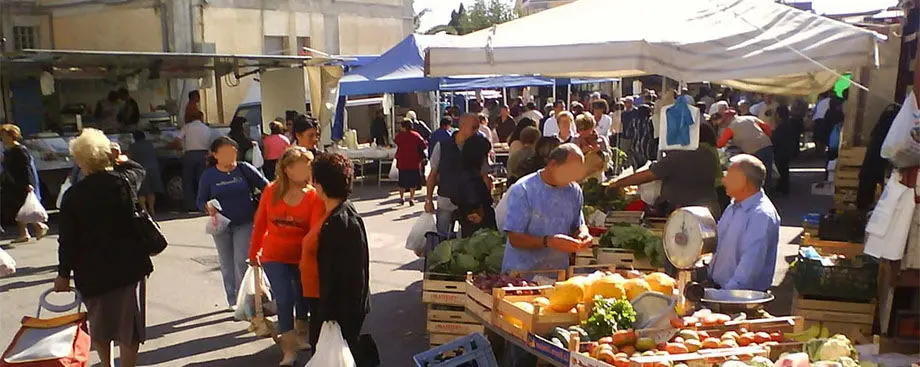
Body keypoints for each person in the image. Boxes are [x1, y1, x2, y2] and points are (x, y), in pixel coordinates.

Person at [54, 128, 150, 367]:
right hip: (126, 266)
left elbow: (67, 240)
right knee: (128, 326)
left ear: (80, 160)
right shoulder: (123, 183)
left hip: (90, 271)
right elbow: (139, 170)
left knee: (99, 325)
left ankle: (106, 365)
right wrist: (120, 158)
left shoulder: (73, 196)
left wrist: (63, 274)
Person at [502, 144, 592, 366]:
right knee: (521, 349)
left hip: (556, 283)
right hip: (521, 281)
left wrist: (584, 233)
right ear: (552, 164)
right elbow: (515, 237)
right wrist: (548, 241)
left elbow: (577, 224)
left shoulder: (574, 191)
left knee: (554, 346)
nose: (574, 177)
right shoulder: (523, 190)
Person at [249, 147, 324, 365]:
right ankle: (288, 351)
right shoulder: (271, 191)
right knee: (284, 300)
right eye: (304, 166)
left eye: (310, 166)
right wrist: (253, 253)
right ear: (288, 169)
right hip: (274, 255)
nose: (309, 170)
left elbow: (314, 231)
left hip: (302, 257)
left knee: (302, 300)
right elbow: (260, 223)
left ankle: (300, 333)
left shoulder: (312, 196)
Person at [307, 153, 371, 364]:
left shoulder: (340, 222)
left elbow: (344, 273)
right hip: (332, 305)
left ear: (320, 185)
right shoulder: (337, 214)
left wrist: (328, 314)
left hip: (337, 310)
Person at [197, 136, 269, 309]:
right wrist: (207, 206)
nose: (231, 155)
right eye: (225, 152)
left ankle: (245, 300)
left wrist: (262, 208)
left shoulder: (244, 169)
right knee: (226, 262)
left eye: (233, 151)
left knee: (241, 259)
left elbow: (267, 186)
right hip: (221, 224)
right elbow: (199, 200)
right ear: (215, 155)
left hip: (244, 221)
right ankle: (232, 300)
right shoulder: (209, 175)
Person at [606, 129, 722, 218]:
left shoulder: (678, 156)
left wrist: (618, 184)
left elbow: (648, 175)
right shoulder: (708, 154)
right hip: (709, 209)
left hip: (686, 213)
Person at [708, 154, 780, 291]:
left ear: (743, 180)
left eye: (729, 176)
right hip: (719, 290)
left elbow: (748, 271)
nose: (724, 181)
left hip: (738, 298)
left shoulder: (761, 215)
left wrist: (723, 297)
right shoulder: (733, 206)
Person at [425, 114, 491, 236]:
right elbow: (432, 175)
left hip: (470, 202)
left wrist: (484, 203)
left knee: (470, 238)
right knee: (442, 237)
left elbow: (484, 176)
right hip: (446, 199)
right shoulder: (442, 146)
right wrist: (428, 199)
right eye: (474, 127)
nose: (477, 131)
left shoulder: (478, 147)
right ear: (462, 126)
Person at [0, 124, 49, 242]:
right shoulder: (8, 151)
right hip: (12, 183)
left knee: (22, 208)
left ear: (12, 136)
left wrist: (29, 184)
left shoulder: (20, 150)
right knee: (19, 208)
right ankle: (25, 232)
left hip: (21, 184)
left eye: (4, 135)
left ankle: (38, 226)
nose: (2, 138)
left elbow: (27, 168)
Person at [453, 134, 497, 237]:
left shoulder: (463, 171)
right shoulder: (471, 179)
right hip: (479, 233)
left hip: (472, 230)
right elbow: (474, 208)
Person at [717, 110, 774, 186]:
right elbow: (768, 129)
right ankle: (769, 192)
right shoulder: (752, 118)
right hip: (767, 146)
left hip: (754, 151)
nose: (725, 123)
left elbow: (721, 143)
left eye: (725, 121)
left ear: (728, 118)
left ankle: (757, 193)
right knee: (768, 172)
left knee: (756, 174)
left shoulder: (732, 126)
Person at [175, 110, 212, 212]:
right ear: (201, 118)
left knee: (188, 181)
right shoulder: (207, 129)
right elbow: (211, 143)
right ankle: (203, 205)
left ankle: (190, 206)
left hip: (190, 155)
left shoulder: (187, 127)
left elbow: (177, 140)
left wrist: (180, 149)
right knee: (202, 180)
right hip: (203, 154)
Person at [128, 131, 163, 216]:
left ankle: (145, 210)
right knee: (151, 191)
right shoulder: (150, 144)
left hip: (140, 171)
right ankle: (152, 209)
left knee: (141, 192)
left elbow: (130, 158)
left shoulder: (132, 147)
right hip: (153, 169)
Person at [394, 119, 427, 206]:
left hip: (402, 161)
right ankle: (411, 198)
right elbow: (423, 145)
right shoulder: (416, 135)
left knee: (402, 181)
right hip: (414, 161)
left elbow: (395, 142)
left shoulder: (399, 136)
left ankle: (402, 197)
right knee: (413, 182)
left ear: (403, 126)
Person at [771, 104, 798, 196]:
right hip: (787, 150)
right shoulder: (789, 124)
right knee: (784, 169)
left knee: (781, 169)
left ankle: (783, 188)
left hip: (781, 151)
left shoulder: (783, 126)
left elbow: (776, 139)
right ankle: (783, 187)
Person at [575, 113, 610, 181]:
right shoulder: (575, 140)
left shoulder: (601, 140)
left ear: (592, 127)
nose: (582, 132)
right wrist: (582, 152)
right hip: (579, 180)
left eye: (586, 129)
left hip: (597, 179)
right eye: (580, 129)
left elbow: (608, 164)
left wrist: (598, 152)